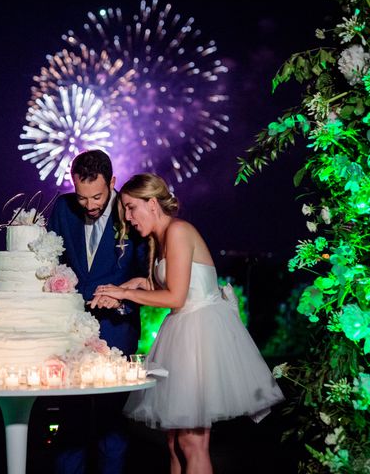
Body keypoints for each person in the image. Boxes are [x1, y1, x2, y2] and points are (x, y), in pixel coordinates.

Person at [90, 173, 285, 474]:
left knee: (193, 443)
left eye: (130, 208)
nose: (127, 218)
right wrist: (131, 287)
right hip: (182, 334)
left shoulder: (179, 230)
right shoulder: (159, 239)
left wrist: (125, 292)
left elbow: (177, 297)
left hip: (200, 335)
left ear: (152, 203)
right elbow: (167, 285)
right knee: (174, 443)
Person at [44, 149, 147, 474]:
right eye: (82, 196)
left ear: (113, 182)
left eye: (97, 196)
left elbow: (149, 275)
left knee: (111, 426)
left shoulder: (131, 212)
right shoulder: (62, 208)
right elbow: (50, 265)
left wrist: (123, 299)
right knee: (70, 423)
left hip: (118, 331)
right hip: (70, 332)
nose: (89, 205)